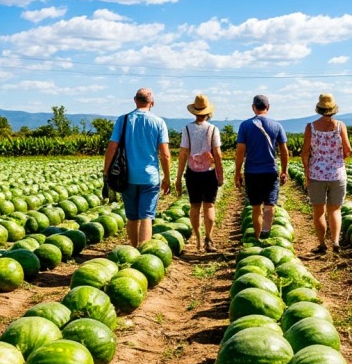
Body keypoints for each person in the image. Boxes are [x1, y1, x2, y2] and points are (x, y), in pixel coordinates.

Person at [103, 88, 171, 247]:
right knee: (146, 215)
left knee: (132, 217)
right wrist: (167, 177)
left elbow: (112, 147)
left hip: (127, 176)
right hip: (150, 178)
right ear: (152, 103)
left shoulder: (123, 120)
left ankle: (133, 249)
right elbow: (165, 154)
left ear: (135, 100)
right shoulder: (158, 122)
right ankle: (143, 253)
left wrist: (106, 171)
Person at [300, 93, 352, 254]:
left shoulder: (311, 127)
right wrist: (338, 159)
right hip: (337, 175)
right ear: (333, 109)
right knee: (335, 210)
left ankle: (322, 244)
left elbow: (305, 152)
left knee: (319, 211)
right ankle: (335, 241)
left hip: (317, 175)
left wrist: (307, 172)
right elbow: (348, 150)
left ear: (319, 109)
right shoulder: (340, 126)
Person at [234, 94, 289, 240]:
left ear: (253, 107)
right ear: (268, 107)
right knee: (270, 204)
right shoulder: (277, 125)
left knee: (256, 206)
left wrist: (237, 172)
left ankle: (258, 237)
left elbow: (240, 151)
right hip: (270, 171)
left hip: (251, 171)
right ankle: (266, 230)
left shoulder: (245, 125)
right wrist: (284, 170)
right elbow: (284, 150)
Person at [175, 94, 224, 253]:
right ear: (208, 112)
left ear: (194, 112)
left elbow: (183, 153)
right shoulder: (213, 129)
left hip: (192, 172)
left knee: (194, 206)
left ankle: (197, 239)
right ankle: (209, 238)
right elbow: (217, 154)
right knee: (209, 205)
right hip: (209, 172)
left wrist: (178, 177)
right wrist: (220, 173)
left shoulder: (187, 129)